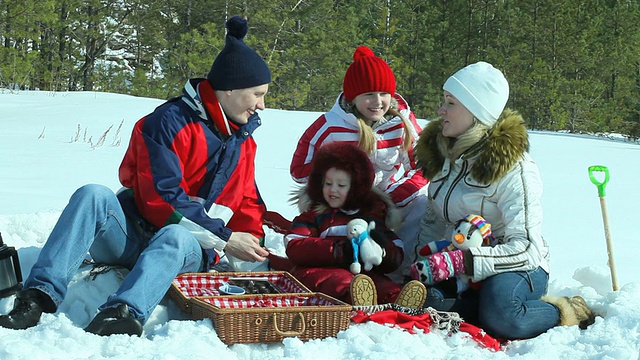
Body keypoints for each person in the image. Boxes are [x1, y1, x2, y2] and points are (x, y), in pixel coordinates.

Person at [0, 15, 271, 336]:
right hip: (129, 238)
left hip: (182, 251)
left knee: (176, 236)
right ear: (229, 89)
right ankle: (37, 296)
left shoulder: (244, 143)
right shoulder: (167, 123)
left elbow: (248, 203)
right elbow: (160, 197)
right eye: (257, 93)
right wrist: (225, 237)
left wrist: (257, 266)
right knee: (92, 194)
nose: (262, 105)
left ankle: (121, 312)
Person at [409, 61, 596, 340]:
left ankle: (566, 310)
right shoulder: (444, 155)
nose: (441, 110)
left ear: (476, 113)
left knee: (502, 316)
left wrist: (464, 261)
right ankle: (473, 307)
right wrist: (419, 267)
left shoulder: (514, 169)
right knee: (429, 302)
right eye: (443, 101)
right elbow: (435, 219)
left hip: (518, 266)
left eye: (450, 103)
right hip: (461, 263)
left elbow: (527, 248)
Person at [289, 46, 429, 283]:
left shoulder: (401, 122)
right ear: (353, 96)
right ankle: (346, 270)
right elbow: (299, 169)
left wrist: (394, 196)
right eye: (368, 95)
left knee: (423, 207)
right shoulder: (332, 125)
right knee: (339, 225)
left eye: (384, 93)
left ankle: (402, 274)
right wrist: (332, 184)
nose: (377, 102)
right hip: (344, 202)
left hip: (390, 198)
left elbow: (425, 165)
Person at [285, 141, 427, 308]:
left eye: (341, 185)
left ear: (356, 188)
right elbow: (295, 243)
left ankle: (398, 299)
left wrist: (381, 251)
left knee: (380, 285)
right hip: (320, 271)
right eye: (328, 184)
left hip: (364, 273)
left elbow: (396, 246)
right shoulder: (315, 215)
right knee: (341, 282)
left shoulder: (371, 216)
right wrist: (339, 251)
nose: (333, 190)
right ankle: (358, 299)